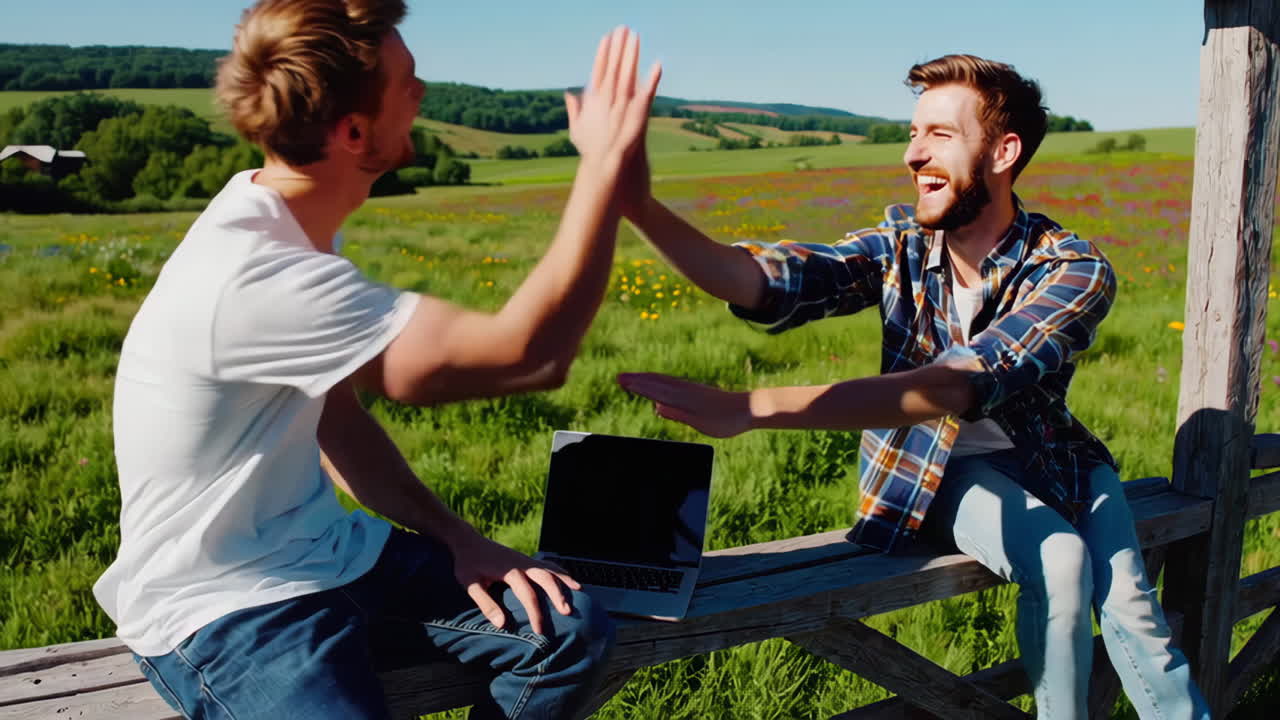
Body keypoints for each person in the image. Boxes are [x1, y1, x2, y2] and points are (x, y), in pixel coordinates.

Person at [91, 0, 660, 717]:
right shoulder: (259, 277)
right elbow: (530, 357)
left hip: (334, 551)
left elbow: (339, 423)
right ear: (354, 131)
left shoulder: (283, 223)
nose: (423, 95)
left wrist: (460, 539)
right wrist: (605, 165)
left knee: (565, 631)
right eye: (407, 84)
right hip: (225, 603)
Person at [616, 54, 1208, 719]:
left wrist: (749, 408)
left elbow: (953, 386)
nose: (911, 153)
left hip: (1057, 456)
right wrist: (639, 206)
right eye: (912, 132)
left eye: (938, 135)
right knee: (1062, 561)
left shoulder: (1072, 268)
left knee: (1135, 611)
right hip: (938, 466)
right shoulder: (900, 245)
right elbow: (764, 279)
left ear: (1003, 151)